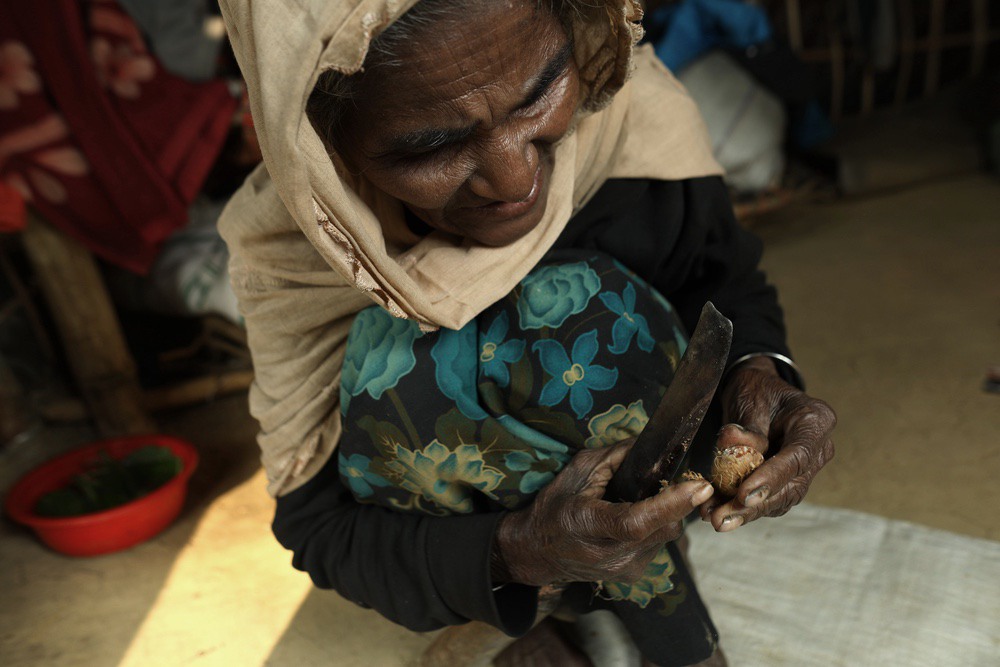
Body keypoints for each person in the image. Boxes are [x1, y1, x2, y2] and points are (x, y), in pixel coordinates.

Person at [216, 1, 836, 665]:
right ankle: (528, 608)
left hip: (654, 463)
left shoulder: (627, 109)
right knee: (402, 369)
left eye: (539, 93)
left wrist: (761, 374)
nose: (516, 179)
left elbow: (721, 277)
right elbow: (321, 527)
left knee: (583, 317)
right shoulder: (296, 248)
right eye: (432, 146)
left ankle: (636, 571)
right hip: (483, 539)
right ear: (323, 139)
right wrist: (518, 550)